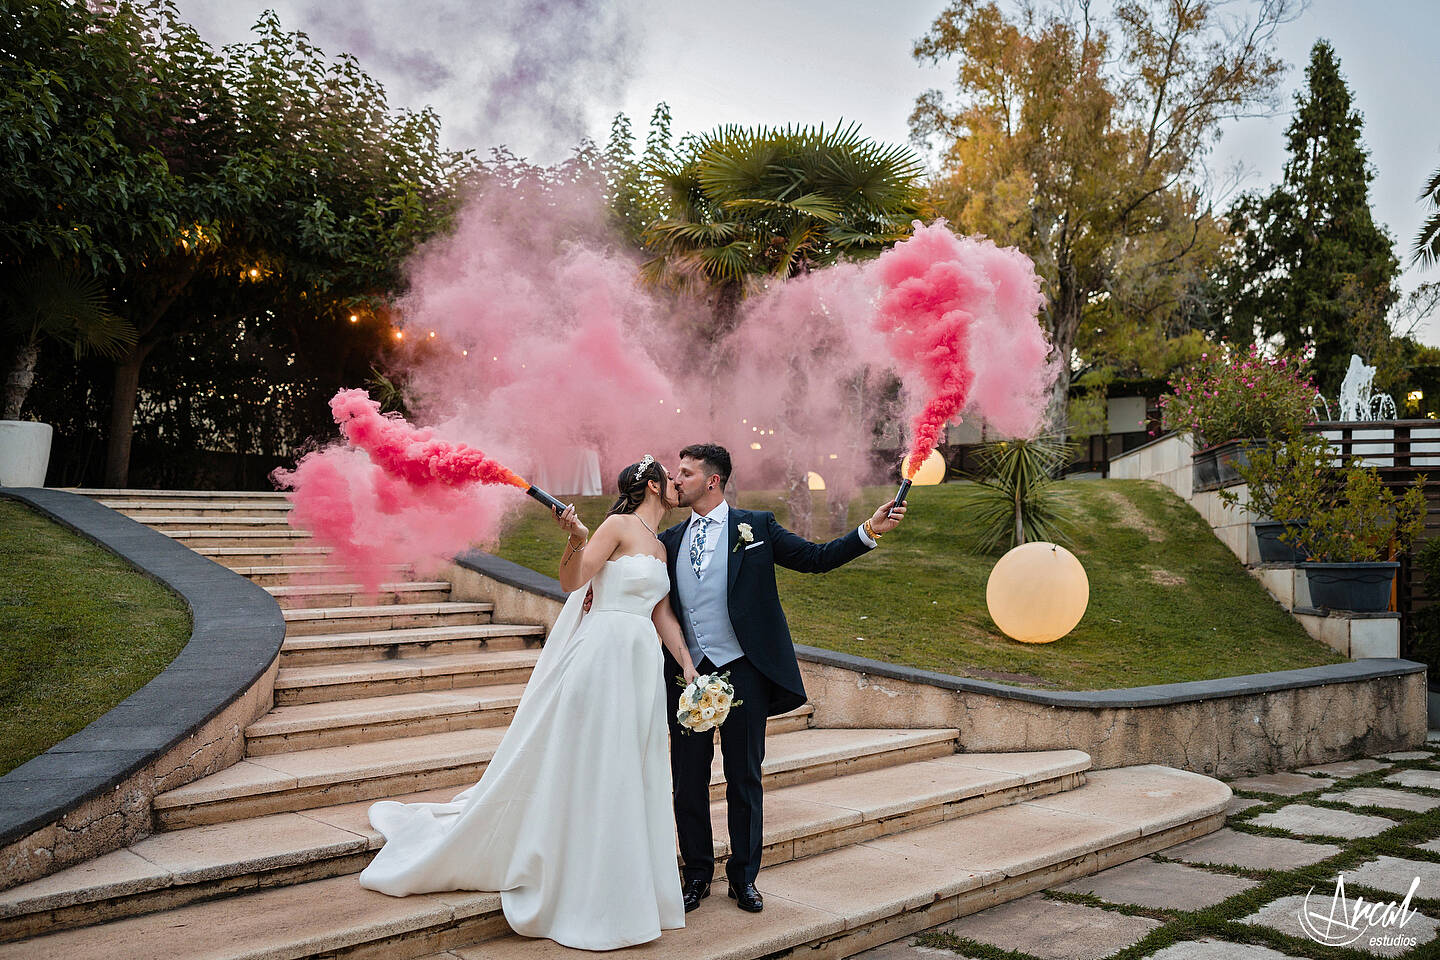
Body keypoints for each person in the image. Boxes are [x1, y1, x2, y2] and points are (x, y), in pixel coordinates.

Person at [357, 456, 698, 951]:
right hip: (600, 656)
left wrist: (686, 665)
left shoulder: (662, 548)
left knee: (631, 764)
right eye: (670, 478)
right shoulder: (617, 526)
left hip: (640, 662)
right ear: (651, 484)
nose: (676, 485)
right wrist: (576, 537)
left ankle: (627, 878)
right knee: (595, 762)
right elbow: (571, 582)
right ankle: (577, 873)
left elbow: (661, 612)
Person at [659, 443, 906, 914]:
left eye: (685, 474)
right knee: (687, 779)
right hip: (686, 674)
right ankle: (695, 876)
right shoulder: (668, 541)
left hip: (743, 670)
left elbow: (815, 558)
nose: (677, 481)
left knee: (744, 778)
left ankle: (744, 879)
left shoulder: (757, 526)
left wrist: (869, 529)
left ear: (713, 480)